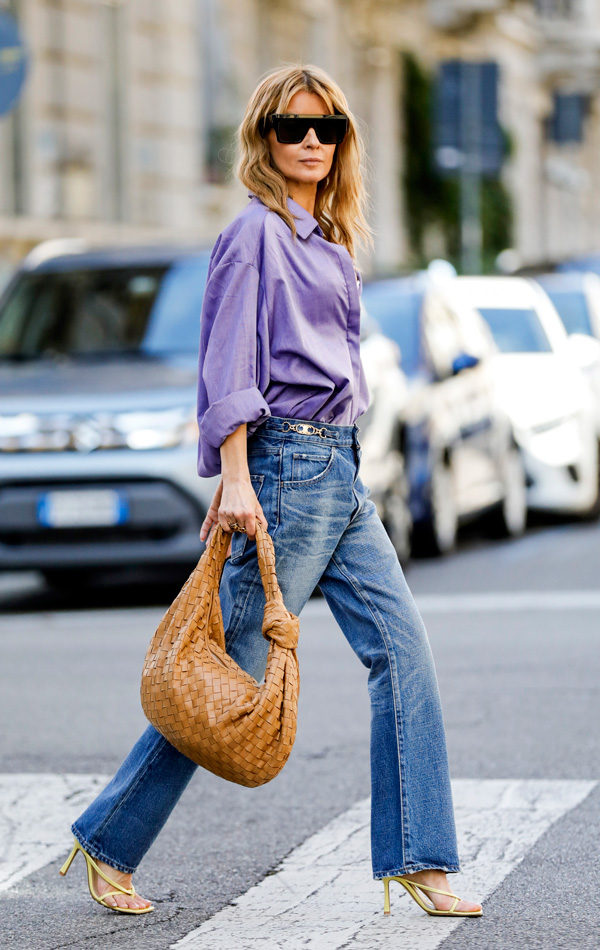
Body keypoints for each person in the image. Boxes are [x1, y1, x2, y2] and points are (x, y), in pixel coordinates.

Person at [59, 63, 482, 920]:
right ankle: (108, 839)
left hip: (341, 470)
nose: (312, 142)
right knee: (228, 674)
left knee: (403, 652)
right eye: (294, 128)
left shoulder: (324, 237)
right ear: (265, 138)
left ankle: (419, 859)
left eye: (326, 127)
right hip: (286, 471)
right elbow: (230, 365)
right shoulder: (254, 235)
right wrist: (240, 481)